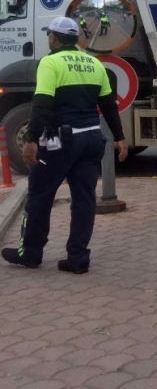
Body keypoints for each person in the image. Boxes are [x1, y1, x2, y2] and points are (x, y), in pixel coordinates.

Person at [1, 17, 128, 274]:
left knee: (39, 195)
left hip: (60, 143)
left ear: (53, 38)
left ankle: (31, 253)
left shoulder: (50, 62)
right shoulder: (94, 62)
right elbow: (108, 105)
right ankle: (78, 258)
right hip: (92, 140)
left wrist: (31, 140)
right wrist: (120, 137)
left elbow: (43, 103)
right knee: (84, 199)